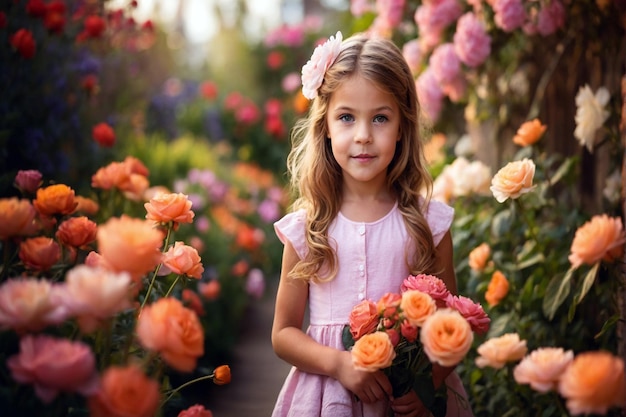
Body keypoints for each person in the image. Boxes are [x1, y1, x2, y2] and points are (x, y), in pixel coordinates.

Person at [270, 31, 473, 417]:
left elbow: (450, 326)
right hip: (326, 397)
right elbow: (283, 334)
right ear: (326, 125)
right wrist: (338, 364)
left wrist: (428, 384)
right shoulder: (308, 229)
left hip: (408, 403)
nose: (363, 136)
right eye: (346, 117)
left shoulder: (427, 224)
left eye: (380, 118)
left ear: (402, 127)